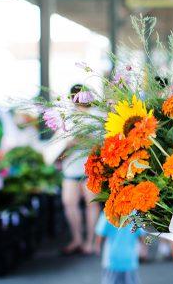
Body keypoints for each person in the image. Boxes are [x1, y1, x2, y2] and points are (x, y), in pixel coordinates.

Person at [59, 84, 101, 256]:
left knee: (91, 204)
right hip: (71, 167)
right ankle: (77, 238)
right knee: (69, 202)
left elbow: (102, 141)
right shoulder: (68, 116)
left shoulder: (97, 116)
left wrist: (84, 139)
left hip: (90, 167)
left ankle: (90, 242)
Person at [96, 211, 144, 284]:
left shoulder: (108, 212)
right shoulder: (135, 214)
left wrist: (97, 247)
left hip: (111, 260)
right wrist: (143, 249)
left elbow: (100, 234)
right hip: (130, 260)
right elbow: (141, 236)